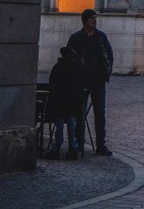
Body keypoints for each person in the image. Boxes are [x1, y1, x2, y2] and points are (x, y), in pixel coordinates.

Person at [67, 9, 114, 154]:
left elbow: (109, 54)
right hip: (81, 81)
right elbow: (69, 58)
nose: (95, 20)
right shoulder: (76, 38)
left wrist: (107, 71)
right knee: (80, 113)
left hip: (98, 80)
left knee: (100, 112)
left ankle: (101, 145)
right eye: (92, 18)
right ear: (85, 20)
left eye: (95, 18)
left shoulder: (101, 36)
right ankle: (79, 143)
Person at [44, 46, 85, 159]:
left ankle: (56, 147)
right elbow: (83, 83)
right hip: (74, 100)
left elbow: (52, 84)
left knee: (60, 123)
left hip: (59, 101)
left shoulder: (57, 67)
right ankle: (73, 148)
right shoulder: (78, 66)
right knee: (72, 123)